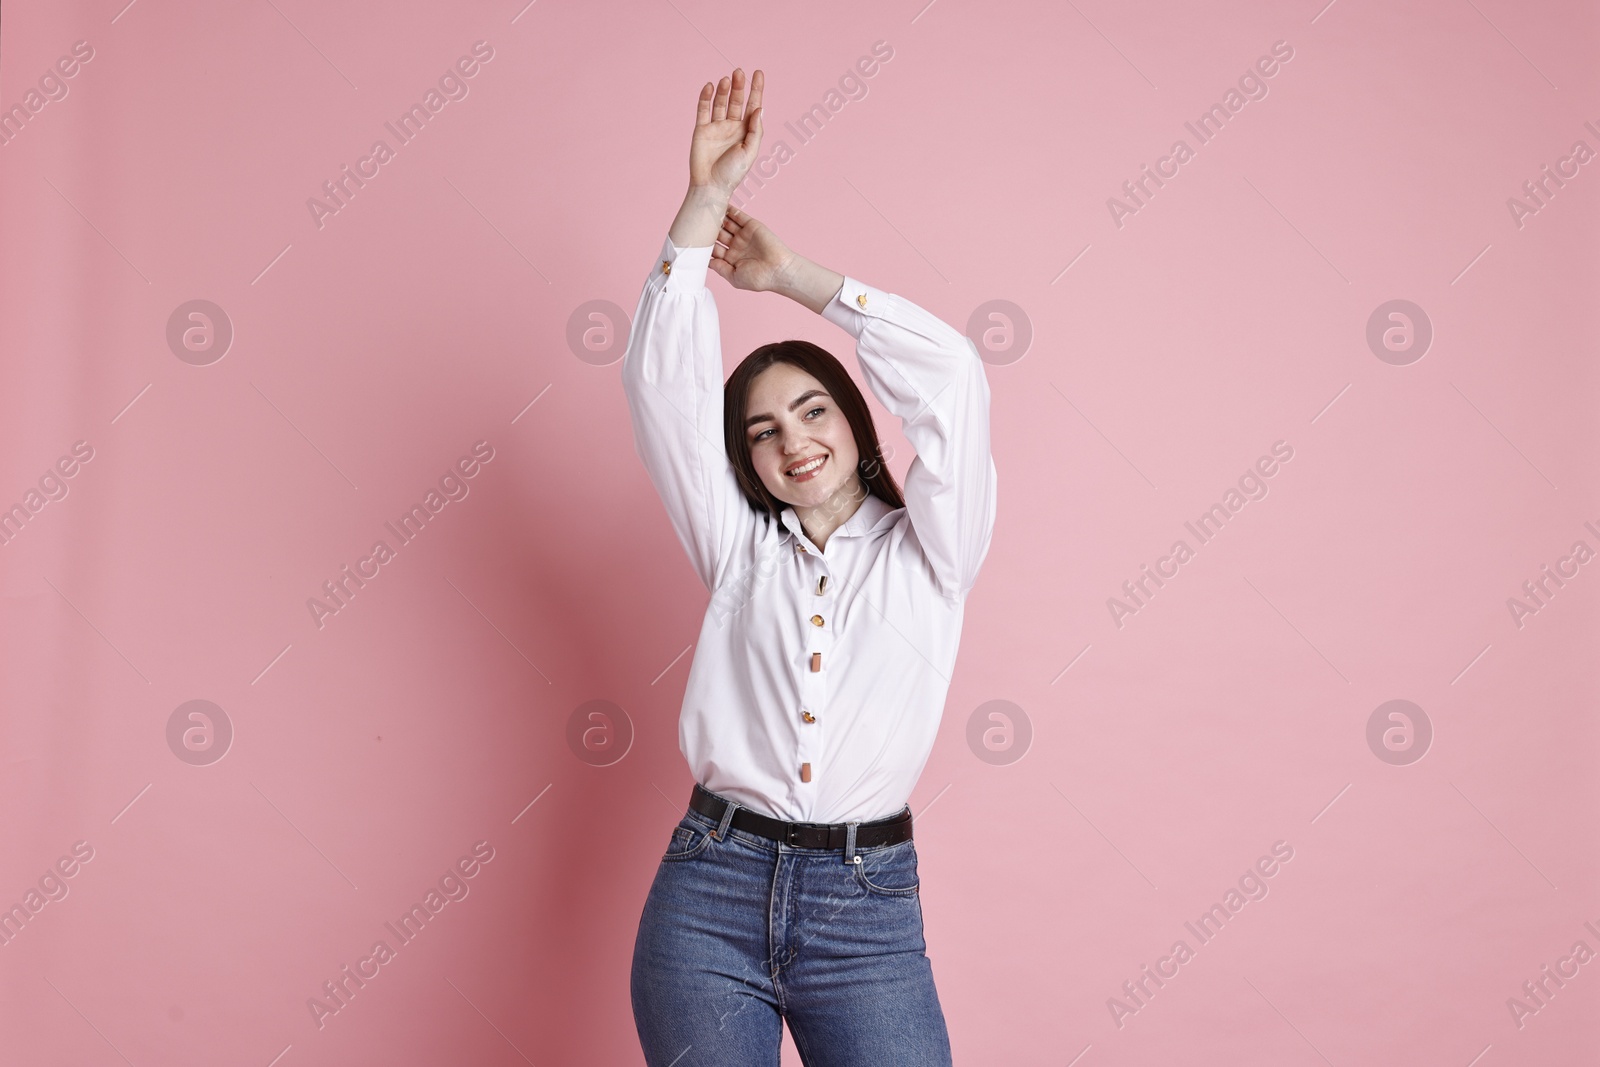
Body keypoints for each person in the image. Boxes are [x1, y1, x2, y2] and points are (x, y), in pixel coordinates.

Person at [622, 67, 998, 1067]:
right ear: (744, 460)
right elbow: (661, 386)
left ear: (851, 414)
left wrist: (793, 278)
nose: (791, 439)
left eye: (812, 408)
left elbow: (954, 379)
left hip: (864, 906)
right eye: (761, 430)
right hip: (707, 890)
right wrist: (702, 206)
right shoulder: (737, 546)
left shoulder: (934, 549)